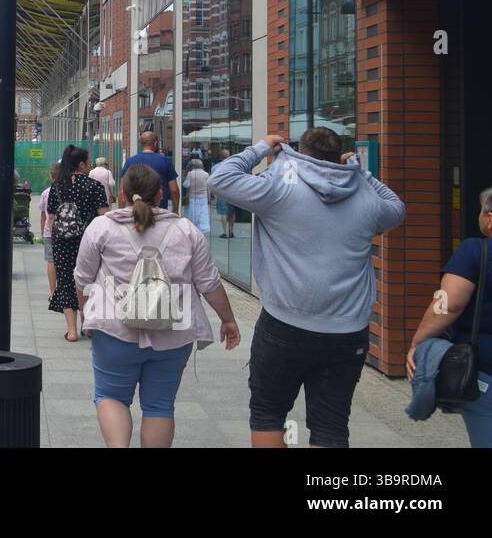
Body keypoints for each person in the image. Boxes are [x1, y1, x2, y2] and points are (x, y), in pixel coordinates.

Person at [211, 128, 406, 448]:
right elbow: (396, 207)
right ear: (337, 154)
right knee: (331, 424)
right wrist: (361, 173)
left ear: (301, 152)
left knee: (268, 414)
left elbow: (221, 178)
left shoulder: (279, 186)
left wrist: (261, 148)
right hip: (347, 331)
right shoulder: (365, 196)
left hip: (283, 323)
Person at [74, 165, 241, 448]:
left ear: (122, 194)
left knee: (111, 396)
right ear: (161, 193)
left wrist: (86, 313)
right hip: (173, 333)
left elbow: (82, 279)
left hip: (115, 330)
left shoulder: (101, 228)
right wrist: (228, 319)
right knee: (160, 406)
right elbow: (209, 282)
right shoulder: (186, 230)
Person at [406, 187, 492, 447]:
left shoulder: (476, 251)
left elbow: (448, 303)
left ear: (489, 218)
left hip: (486, 369)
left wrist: (418, 343)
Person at [47, 145, 110, 342]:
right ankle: (88, 325)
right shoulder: (94, 186)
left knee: (65, 281)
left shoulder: (57, 186)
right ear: (81, 164)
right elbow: (104, 216)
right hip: (88, 241)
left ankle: (71, 331)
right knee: (88, 281)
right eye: (88, 162)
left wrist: (58, 236)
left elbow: (51, 218)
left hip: (63, 242)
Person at [120, 132, 180, 212]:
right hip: (159, 211)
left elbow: (122, 189)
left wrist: (121, 210)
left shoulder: (130, 161)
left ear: (141, 144)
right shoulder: (165, 161)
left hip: (134, 212)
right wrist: (175, 210)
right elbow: (174, 190)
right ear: (155, 143)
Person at [39, 162, 59, 301]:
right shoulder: (68, 191)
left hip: (49, 232)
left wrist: (42, 232)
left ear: (50, 176)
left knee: (51, 261)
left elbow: (43, 216)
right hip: (65, 231)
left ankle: (53, 292)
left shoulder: (46, 193)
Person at [181, 159, 211, 234]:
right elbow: (209, 187)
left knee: (192, 213)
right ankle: (202, 228)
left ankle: (192, 228)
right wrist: (209, 197)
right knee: (202, 214)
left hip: (192, 197)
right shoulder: (206, 174)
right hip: (203, 197)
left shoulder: (190, 174)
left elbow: (186, 185)